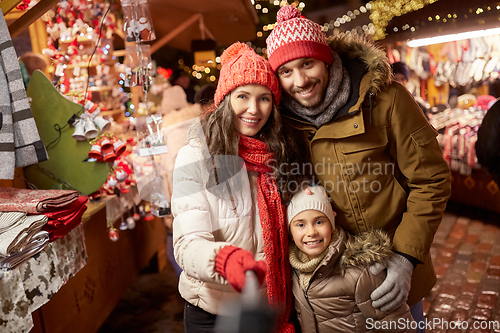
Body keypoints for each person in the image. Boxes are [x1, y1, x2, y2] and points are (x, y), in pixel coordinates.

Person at [266, 6, 451, 332]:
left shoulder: (386, 100)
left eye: (307, 63)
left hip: (391, 275)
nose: (301, 81)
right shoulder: (281, 124)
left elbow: (431, 180)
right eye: (286, 71)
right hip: (327, 289)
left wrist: (406, 258)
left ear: (325, 58)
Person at [171, 42, 306, 333]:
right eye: (242, 96)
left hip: (274, 307)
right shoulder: (197, 156)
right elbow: (186, 244)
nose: (253, 109)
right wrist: (223, 259)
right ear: (225, 99)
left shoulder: (282, 152)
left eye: (264, 99)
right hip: (215, 312)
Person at [288, 185, 415, 333]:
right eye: (301, 225)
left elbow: (397, 325)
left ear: (332, 224)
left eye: (319, 222)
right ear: (290, 231)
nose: (311, 232)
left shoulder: (360, 270)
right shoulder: (293, 269)